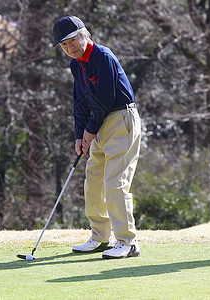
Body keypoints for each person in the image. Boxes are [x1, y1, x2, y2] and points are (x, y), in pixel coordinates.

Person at [52, 16, 142, 259]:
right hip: (99, 125)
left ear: (85, 34)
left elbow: (104, 98)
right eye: (64, 45)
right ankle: (100, 237)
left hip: (121, 119)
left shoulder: (102, 56)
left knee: (115, 181)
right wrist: (79, 135)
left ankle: (127, 242)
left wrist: (89, 131)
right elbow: (80, 102)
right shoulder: (76, 65)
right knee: (93, 182)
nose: (70, 47)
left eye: (72, 40)